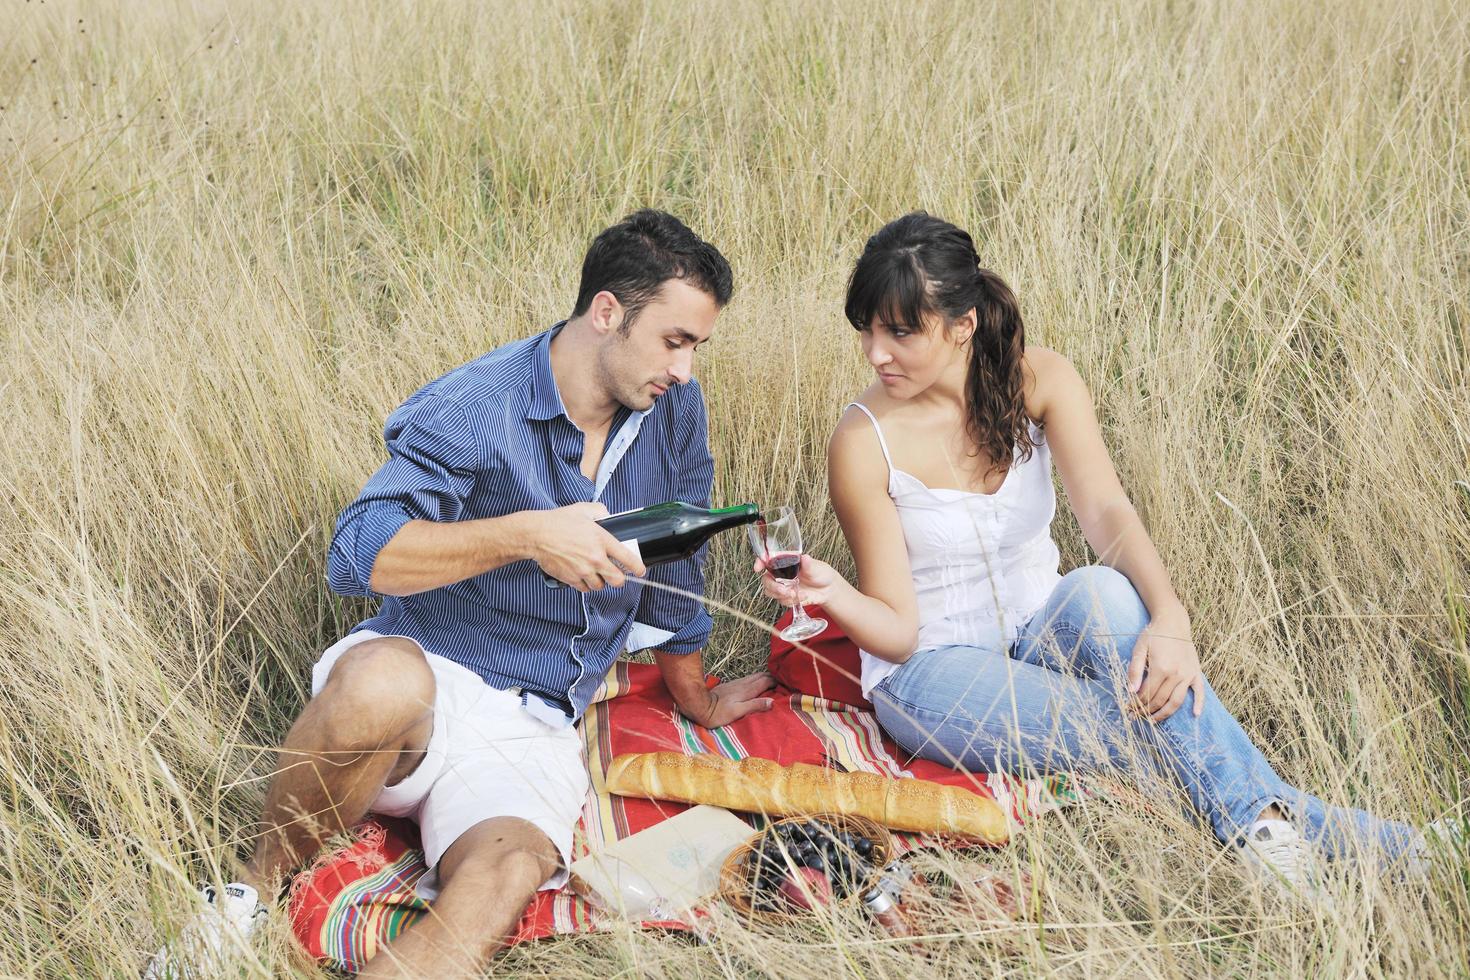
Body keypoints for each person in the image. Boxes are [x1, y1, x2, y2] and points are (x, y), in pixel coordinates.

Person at [147, 209, 776, 977]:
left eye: (696, 348)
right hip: (427, 685)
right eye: (675, 342)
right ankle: (245, 901)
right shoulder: (478, 404)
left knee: (504, 877)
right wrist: (528, 535)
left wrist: (696, 696)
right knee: (380, 679)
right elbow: (356, 556)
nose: (685, 370)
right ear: (607, 312)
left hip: (536, 726)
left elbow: (678, 560)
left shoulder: (672, 406)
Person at [760, 211, 1451, 903]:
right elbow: (899, 633)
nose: (875, 352)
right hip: (932, 673)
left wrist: (1170, 618)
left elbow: (1107, 514)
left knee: (1103, 590)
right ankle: (1365, 846)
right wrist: (832, 594)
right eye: (867, 329)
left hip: (1041, 627)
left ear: (962, 323)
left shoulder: (1041, 380)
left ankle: (1280, 840)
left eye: (899, 330)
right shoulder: (862, 440)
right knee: (1151, 725)